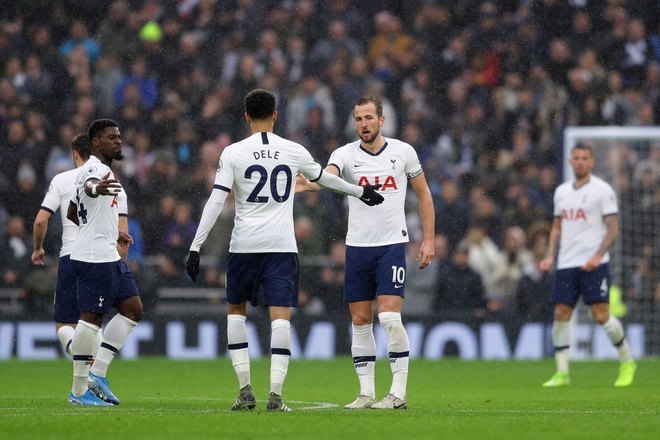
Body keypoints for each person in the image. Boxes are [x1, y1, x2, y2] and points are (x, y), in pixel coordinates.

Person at [184, 89, 383, 412]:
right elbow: (327, 181)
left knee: (236, 313)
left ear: (247, 117)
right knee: (281, 318)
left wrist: (195, 247)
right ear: (276, 115)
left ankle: (245, 391)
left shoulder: (233, 153)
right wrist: (361, 191)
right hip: (281, 247)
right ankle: (276, 395)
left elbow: (216, 200)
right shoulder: (293, 150)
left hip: (244, 246)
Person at [298, 96, 435, 410]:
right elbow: (328, 176)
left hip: (391, 245)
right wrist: (310, 184)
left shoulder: (403, 152)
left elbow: (424, 194)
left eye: (369, 118)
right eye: (359, 119)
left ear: (382, 120)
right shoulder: (344, 154)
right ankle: (366, 393)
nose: (364, 124)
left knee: (387, 316)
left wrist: (428, 239)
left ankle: (398, 393)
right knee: (360, 321)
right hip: (357, 247)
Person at [539, 143, 636, 387]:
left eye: (585, 158)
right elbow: (557, 228)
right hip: (567, 263)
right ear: (571, 162)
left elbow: (614, 228)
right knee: (560, 315)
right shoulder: (561, 192)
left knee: (601, 315)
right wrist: (551, 256)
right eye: (576, 158)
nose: (580, 162)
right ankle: (562, 372)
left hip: (595, 263)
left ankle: (627, 361)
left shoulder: (602, 190)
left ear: (591, 162)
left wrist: (597, 255)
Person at [32, 133, 129, 359]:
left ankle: (80, 355)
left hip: (71, 257)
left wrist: (38, 248)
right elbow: (123, 235)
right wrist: (119, 269)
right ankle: (96, 368)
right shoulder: (113, 184)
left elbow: (40, 220)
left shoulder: (62, 180)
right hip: (102, 259)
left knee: (65, 325)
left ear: (75, 153)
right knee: (93, 319)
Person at [66, 119, 142, 405]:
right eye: (112, 137)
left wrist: (111, 229)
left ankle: (98, 373)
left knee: (133, 309)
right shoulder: (96, 169)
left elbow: (74, 213)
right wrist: (96, 189)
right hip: (94, 257)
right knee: (91, 319)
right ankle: (78, 391)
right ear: (95, 142)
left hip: (107, 251)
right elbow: (90, 187)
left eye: (119, 137)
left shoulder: (96, 169)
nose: (118, 141)